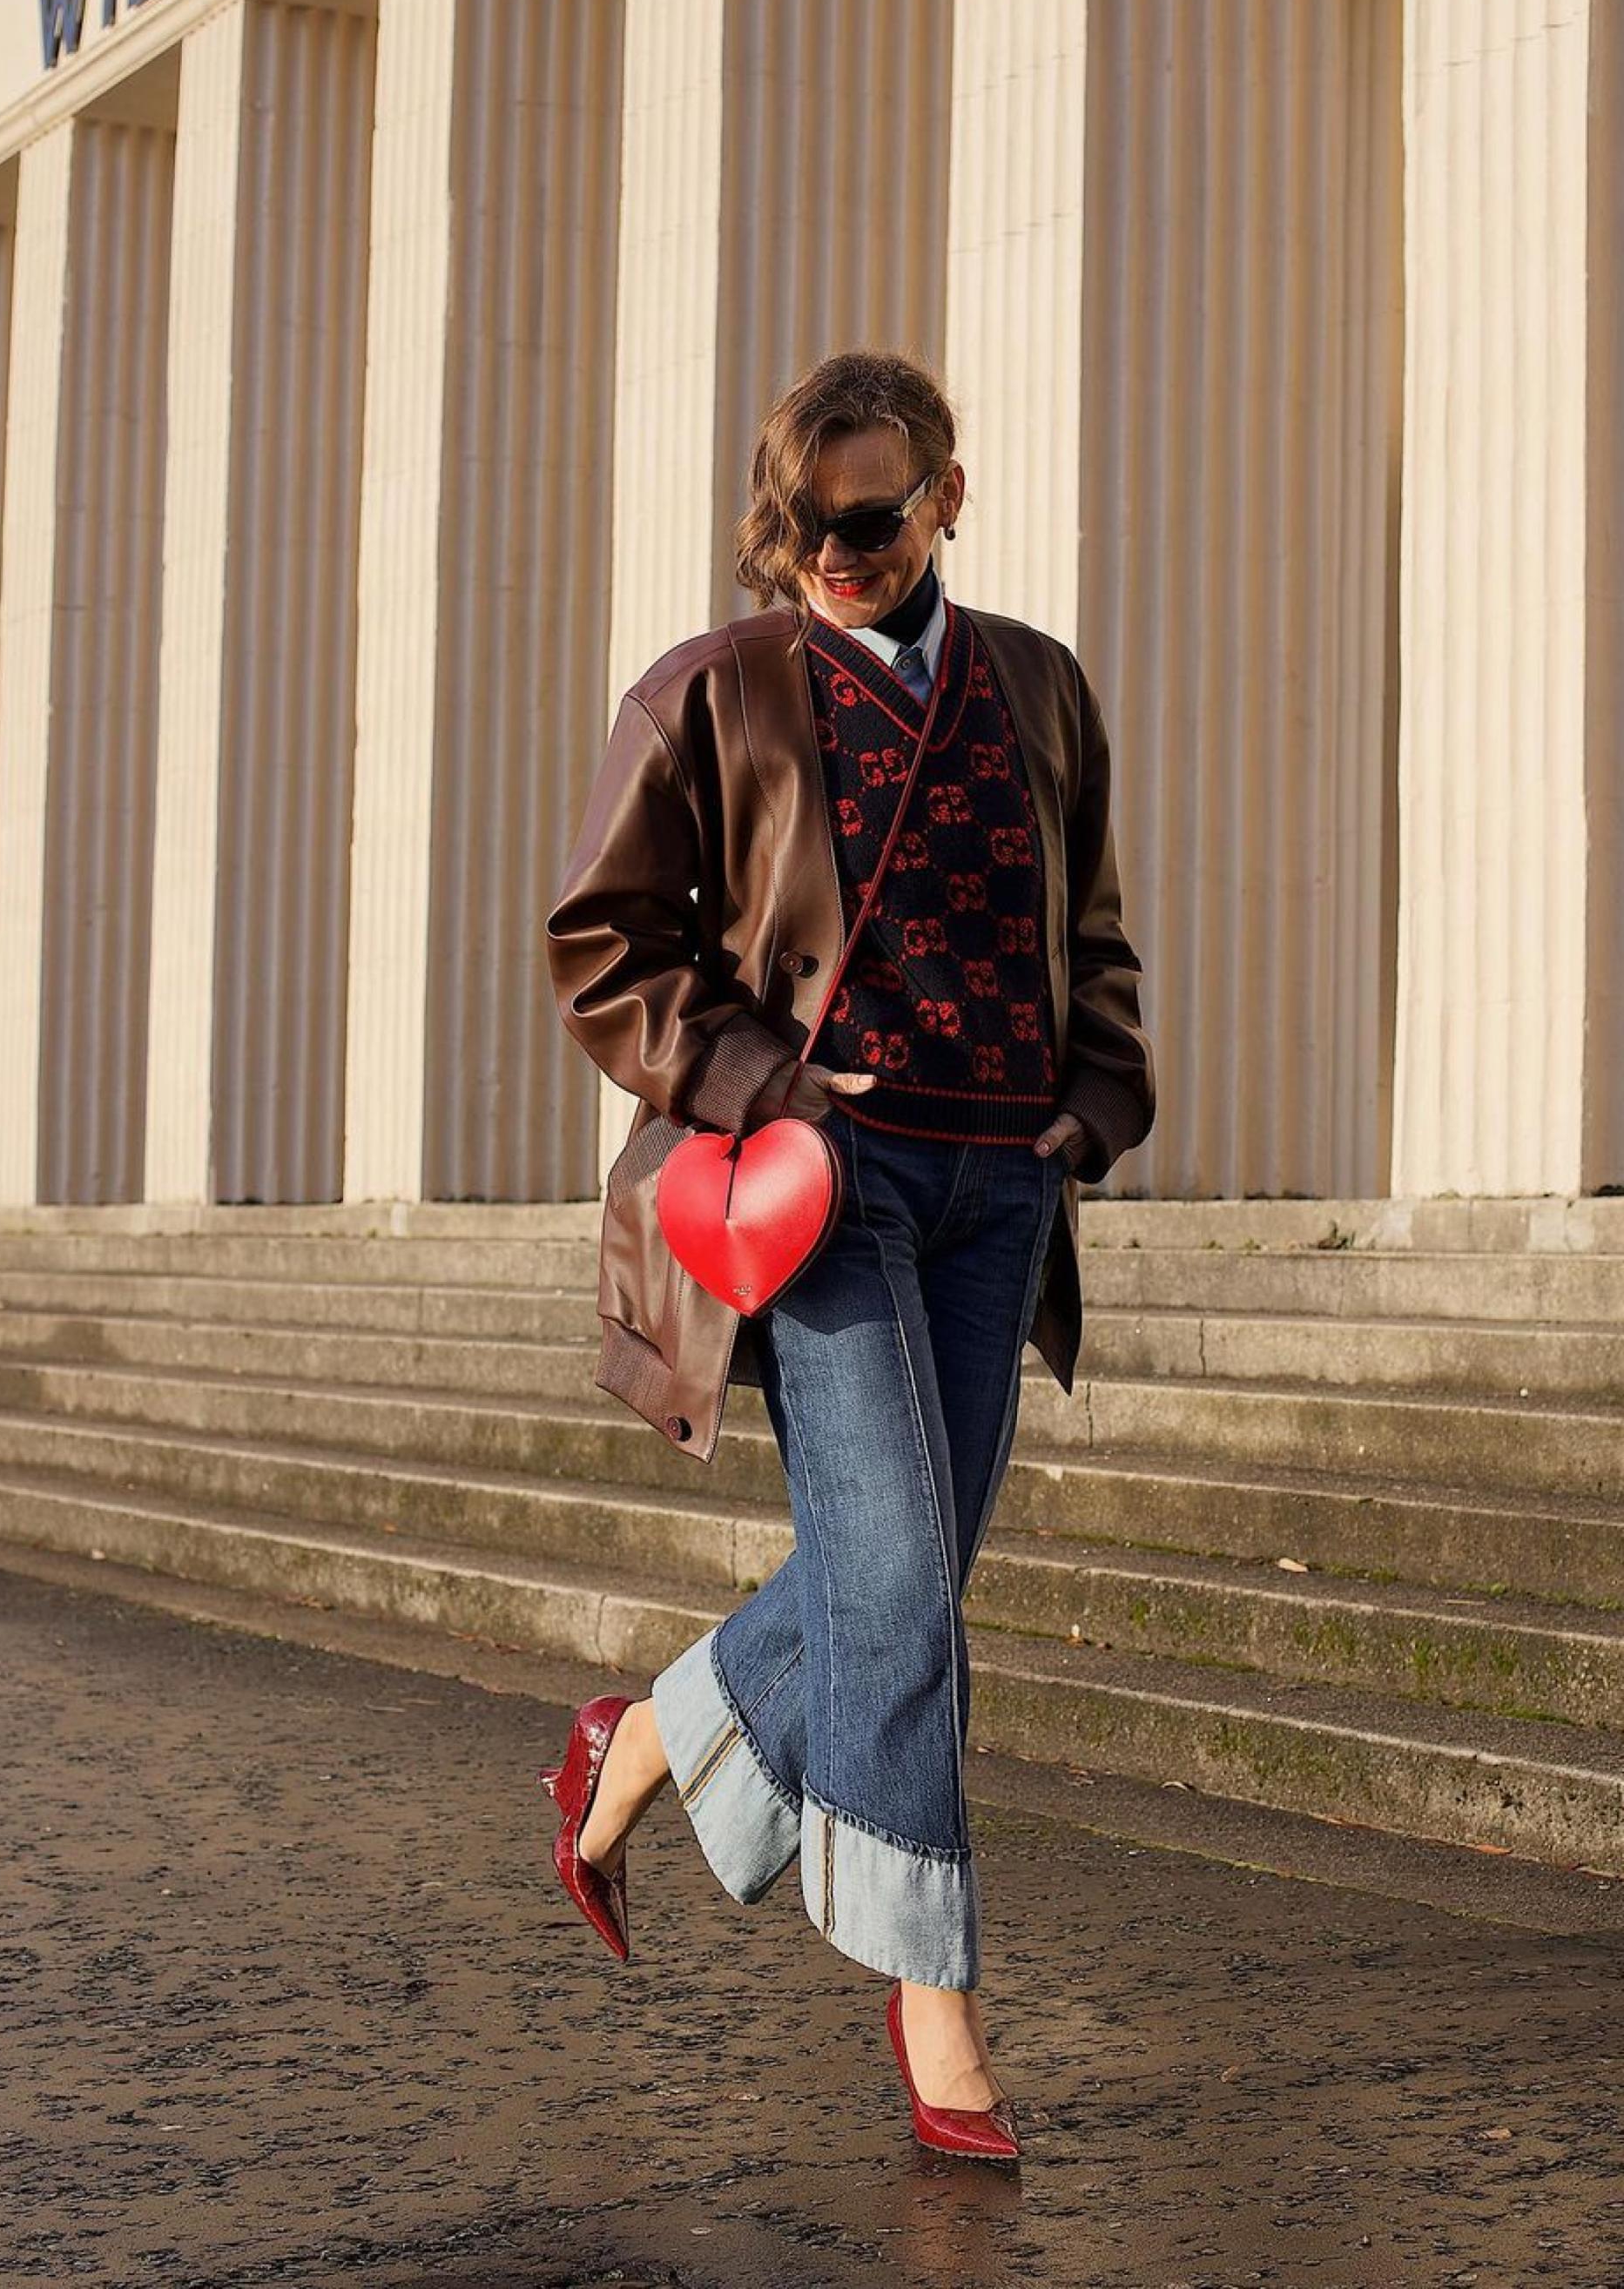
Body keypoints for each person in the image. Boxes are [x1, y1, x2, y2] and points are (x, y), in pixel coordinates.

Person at [540, 348, 1155, 2160]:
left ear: (948, 494)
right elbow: (603, 939)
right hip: (826, 1182)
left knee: (910, 1571)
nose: (836, 552)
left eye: (873, 520)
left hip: (996, 1190)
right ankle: (937, 2008)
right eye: (806, 524)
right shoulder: (711, 695)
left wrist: (1087, 1104)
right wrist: (756, 1082)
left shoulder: (1036, 686)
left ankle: (637, 1745)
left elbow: (1093, 929)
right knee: (891, 1582)